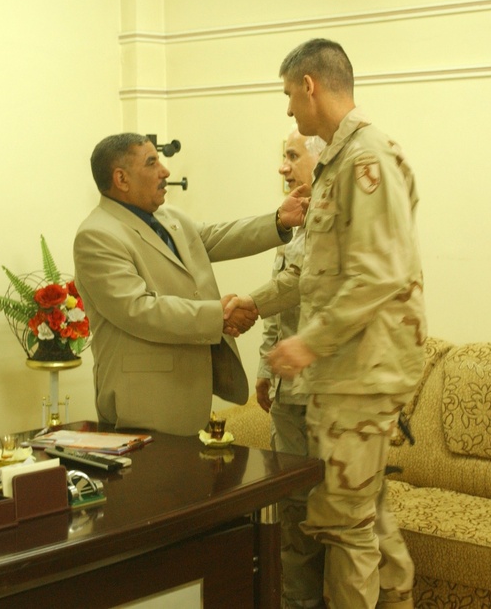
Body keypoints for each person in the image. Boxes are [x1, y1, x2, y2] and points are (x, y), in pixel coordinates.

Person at [225, 39, 425, 609]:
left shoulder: (367, 159)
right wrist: (256, 306)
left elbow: (378, 274)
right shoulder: (341, 159)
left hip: (362, 368)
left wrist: (307, 343)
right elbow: (314, 272)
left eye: (290, 95)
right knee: (358, 514)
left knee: (346, 525)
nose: (290, 110)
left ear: (309, 85)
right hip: (347, 368)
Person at [74, 132, 309, 436]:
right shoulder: (97, 235)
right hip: (143, 402)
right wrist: (219, 316)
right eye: (152, 163)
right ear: (121, 178)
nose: (165, 171)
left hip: (187, 394)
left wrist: (278, 220)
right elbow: (138, 309)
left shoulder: (167, 217)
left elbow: (217, 237)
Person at [256, 127, 326, 609]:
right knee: (292, 519)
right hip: (286, 396)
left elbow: (297, 285)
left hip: (323, 396)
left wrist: (244, 305)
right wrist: (264, 366)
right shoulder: (294, 219)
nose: (283, 167)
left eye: (291, 156)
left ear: (321, 159)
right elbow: (282, 299)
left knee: (328, 517)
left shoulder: (336, 217)